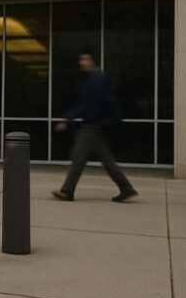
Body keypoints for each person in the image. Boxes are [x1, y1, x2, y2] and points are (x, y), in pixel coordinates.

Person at [51, 48, 137, 203]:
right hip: (98, 125)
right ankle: (126, 188)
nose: (81, 62)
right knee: (106, 159)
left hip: (92, 125)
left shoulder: (96, 80)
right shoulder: (96, 78)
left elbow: (89, 104)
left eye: (84, 59)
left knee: (78, 157)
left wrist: (68, 119)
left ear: (92, 61)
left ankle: (67, 191)